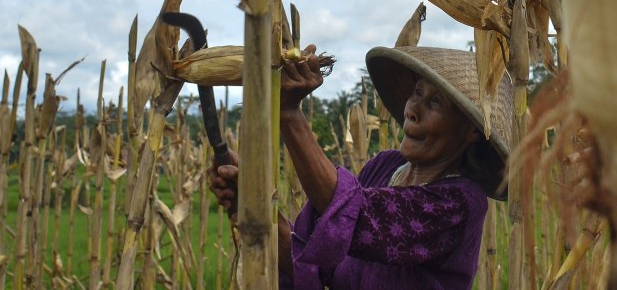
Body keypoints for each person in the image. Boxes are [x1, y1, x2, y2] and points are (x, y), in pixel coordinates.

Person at [208, 45, 513, 290]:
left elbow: (354, 217)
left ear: (471, 131)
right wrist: (254, 204)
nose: (413, 110)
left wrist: (289, 113)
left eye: (435, 103)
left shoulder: (460, 200)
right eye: (417, 92)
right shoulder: (384, 166)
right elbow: (314, 262)